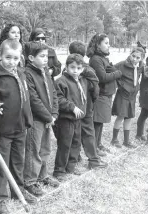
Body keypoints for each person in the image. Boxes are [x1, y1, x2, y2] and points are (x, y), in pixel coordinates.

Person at [0, 39, 37, 214]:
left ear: (20, 58)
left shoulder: (21, 73)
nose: (11, 62)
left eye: (15, 58)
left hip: (20, 128)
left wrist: (28, 119)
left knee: (17, 161)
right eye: (8, 57)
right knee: (1, 163)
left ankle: (17, 190)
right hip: (2, 129)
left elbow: (25, 99)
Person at [23, 41, 60, 197]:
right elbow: (33, 99)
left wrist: (54, 113)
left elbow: (53, 93)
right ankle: (30, 181)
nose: (46, 59)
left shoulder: (45, 71)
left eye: (47, 56)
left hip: (48, 118)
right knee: (33, 150)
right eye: (42, 56)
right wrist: (47, 116)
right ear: (31, 58)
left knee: (45, 148)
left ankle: (42, 175)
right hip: (36, 119)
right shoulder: (27, 73)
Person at [53, 53, 93, 181]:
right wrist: (72, 107)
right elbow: (58, 99)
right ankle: (59, 170)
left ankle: (71, 166)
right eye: (72, 67)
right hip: (66, 119)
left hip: (78, 120)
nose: (75, 71)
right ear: (66, 67)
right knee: (65, 144)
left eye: (79, 68)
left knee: (76, 143)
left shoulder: (81, 80)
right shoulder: (61, 81)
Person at [68, 41, 108, 167]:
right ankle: (93, 160)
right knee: (88, 133)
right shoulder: (87, 69)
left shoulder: (68, 68)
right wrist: (93, 99)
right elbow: (95, 88)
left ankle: (78, 157)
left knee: (75, 133)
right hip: (86, 105)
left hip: (74, 106)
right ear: (84, 53)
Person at [88, 33, 121, 155]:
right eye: (106, 43)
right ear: (98, 45)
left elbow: (108, 71)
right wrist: (118, 73)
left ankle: (98, 143)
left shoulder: (102, 58)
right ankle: (94, 148)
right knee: (96, 122)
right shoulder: (96, 59)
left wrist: (114, 71)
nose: (109, 45)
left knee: (100, 121)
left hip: (106, 94)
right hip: (100, 94)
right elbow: (102, 77)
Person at [110, 47, 145, 148]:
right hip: (123, 94)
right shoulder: (122, 64)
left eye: (138, 58)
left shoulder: (141, 66)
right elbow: (111, 71)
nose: (135, 59)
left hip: (132, 96)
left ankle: (126, 141)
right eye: (133, 56)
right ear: (130, 54)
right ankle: (114, 139)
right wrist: (120, 84)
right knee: (120, 116)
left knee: (129, 117)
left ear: (141, 58)